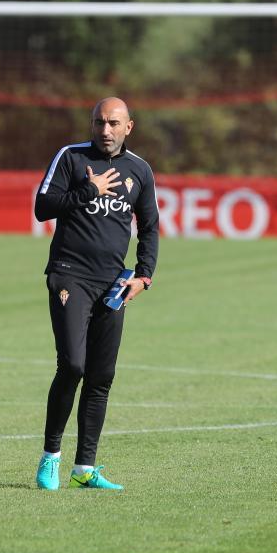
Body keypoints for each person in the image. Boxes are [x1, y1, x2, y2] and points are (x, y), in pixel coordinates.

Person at [33, 97, 159, 491]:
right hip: (69, 275)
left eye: (113, 123)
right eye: (99, 122)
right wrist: (88, 190)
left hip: (113, 283)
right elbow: (42, 207)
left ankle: (84, 467)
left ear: (129, 127)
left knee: (101, 375)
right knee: (72, 364)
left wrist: (143, 276)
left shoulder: (139, 170)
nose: (105, 130)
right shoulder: (70, 158)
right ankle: (50, 457)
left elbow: (150, 226)